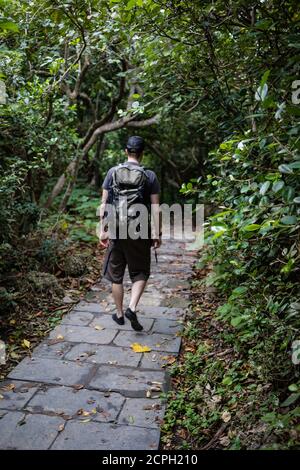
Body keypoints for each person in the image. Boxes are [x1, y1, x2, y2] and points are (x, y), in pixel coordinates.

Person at [99, 135, 161, 331]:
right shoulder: (149, 176)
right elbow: (156, 207)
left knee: (116, 274)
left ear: (126, 151)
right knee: (140, 271)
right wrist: (157, 232)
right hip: (140, 228)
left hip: (117, 228)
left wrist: (103, 229)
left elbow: (104, 204)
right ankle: (132, 307)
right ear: (142, 153)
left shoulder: (112, 172)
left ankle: (119, 314)